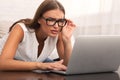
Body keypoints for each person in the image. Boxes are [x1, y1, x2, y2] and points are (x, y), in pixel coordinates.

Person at [0, 0, 76, 71]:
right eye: (51, 20)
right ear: (39, 19)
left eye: (60, 21)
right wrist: (40, 65)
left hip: (34, 63)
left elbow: (67, 66)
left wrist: (67, 40)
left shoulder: (58, 32)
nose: (56, 26)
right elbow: (3, 63)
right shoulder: (20, 29)